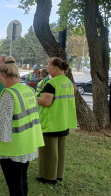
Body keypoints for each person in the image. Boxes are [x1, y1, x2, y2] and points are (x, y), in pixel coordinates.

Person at [0, 56, 44, 195]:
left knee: (15, 187)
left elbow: (2, 126)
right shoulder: (28, 90)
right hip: (28, 144)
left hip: (13, 149)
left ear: (4, 75)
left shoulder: (9, 94)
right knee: (22, 181)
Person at [36, 57, 77, 185]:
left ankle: (48, 177)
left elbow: (46, 102)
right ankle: (58, 175)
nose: (47, 69)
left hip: (52, 122)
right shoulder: (69, 82)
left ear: (54, 68)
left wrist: (35, 98)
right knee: (60, 151)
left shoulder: (51, 84)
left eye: (48, 67)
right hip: (64, 121)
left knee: (49, 151)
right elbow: (72, 92)